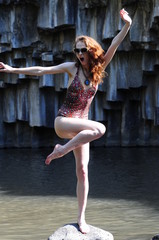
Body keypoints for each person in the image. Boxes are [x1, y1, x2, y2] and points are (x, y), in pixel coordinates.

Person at [0, 8, 132, 234]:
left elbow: (115, 45)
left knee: (82, 171)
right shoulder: (72, 69)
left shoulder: (98, 69)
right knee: (99, 128)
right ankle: (60, 150)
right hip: (64, 122)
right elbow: (42, 70)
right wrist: (12, 69)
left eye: (83, 50)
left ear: (91, 51)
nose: (79, 53)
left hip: (82, 129)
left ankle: (81, 219)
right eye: (77, 50)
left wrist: (127, 24)